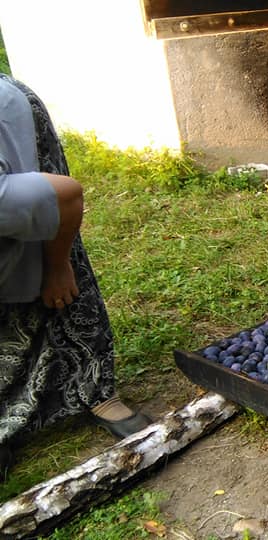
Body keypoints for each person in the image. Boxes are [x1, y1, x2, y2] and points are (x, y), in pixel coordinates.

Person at [0, 74, 151, 479]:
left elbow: (66, 197)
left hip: (17, 130)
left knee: (61, 284)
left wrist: (57, 267)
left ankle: (95, 390)